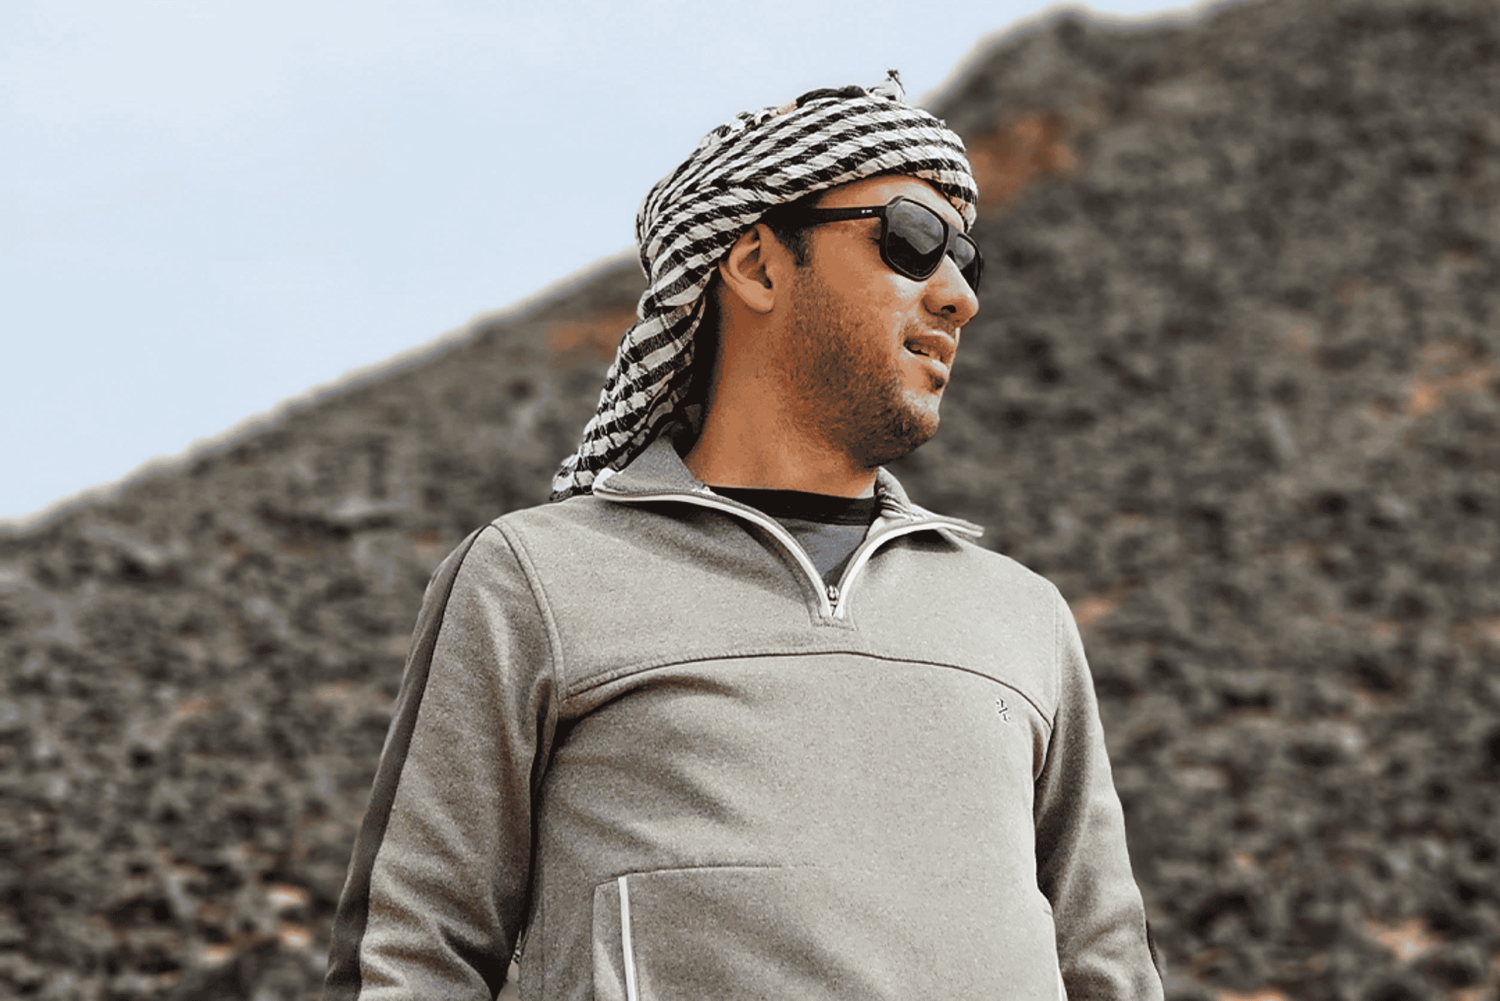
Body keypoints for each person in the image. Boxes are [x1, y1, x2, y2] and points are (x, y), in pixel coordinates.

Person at [324, 72, 1163, 1001]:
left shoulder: (1021, 614)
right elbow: (410, 955)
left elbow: (1109, 966)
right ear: (758, 265)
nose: (958, 295)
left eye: (967, 259)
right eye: (913, 241)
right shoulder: (536, 578)